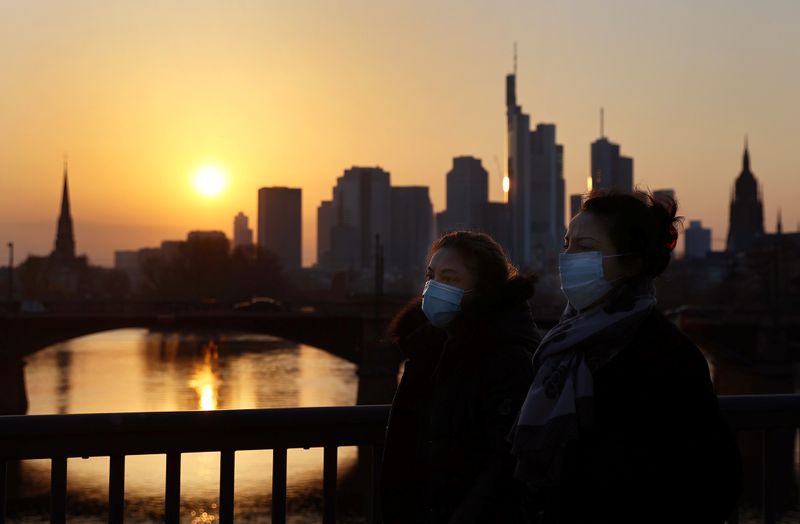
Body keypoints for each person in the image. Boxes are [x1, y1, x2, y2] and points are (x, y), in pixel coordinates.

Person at [508, 189, 742, 523]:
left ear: (632, 262)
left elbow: (713, 479)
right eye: (567, 245)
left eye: (585, 247)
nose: (567, 258)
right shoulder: (562, 345)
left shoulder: (667, 355)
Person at [380, 231, 542, 524]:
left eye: (450, 279)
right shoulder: (429, 346)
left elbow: (502, 466)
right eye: (432, 276)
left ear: (483, 290)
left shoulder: (507, 357)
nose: (434, 287)